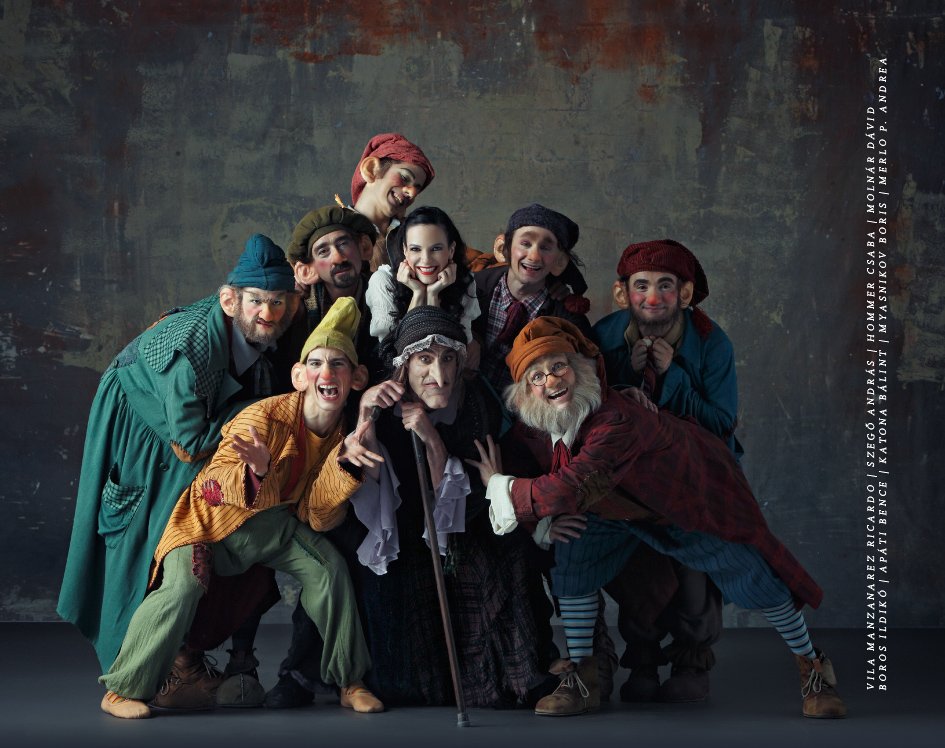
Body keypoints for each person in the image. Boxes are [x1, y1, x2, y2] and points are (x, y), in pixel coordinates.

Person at [467, 316, 848, 720]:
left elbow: (568, 486)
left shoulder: (616, 419)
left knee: (755, 578)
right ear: (525, 392)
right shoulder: (532, 426)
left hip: (682, 502)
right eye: (537, 376)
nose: (551, 381)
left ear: (579, 368)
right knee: (572, 561)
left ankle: (814, 669)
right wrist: (541, 522)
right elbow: (528, 471)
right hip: (612, 507)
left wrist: (498, 485)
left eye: (559, 366)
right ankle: (582, 679)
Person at [98, 297, 384, 719]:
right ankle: (122, 690)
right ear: (299, 376)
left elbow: (315, 515)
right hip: (207, 527)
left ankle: (350, 682)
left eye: (338, 364)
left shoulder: (344, 435)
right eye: (317, 363)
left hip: (272, 529)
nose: (327, 373)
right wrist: (257, 472)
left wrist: (343, 467)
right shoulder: (261, 418)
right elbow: (212, 486)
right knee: (182, 588)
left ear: (356, 378)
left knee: (330, 571)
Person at [271, 306, 559, 708]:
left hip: (459, 526)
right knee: (356, 575)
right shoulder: (381, 406)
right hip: (398, 528)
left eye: (447, 359)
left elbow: (465, 503)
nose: (438, 375)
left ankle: (524, 672)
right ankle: (312, 675)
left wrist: (431, 440)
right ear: (404, 367)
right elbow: (370, 496)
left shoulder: (478, 407)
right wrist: (367, 416)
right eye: (424, 360)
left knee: (508, 557)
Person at [57, 234, 304, 701]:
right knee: (148, 537)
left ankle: (187, 655)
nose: (268, 313)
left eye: (277, 301)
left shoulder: (265, 332)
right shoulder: (191, 351)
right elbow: (189, 442)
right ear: (230, 300)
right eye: (256, 301)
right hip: (142, 426)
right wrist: (261, 413)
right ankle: (142, 668)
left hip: (190, 426)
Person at [590, 239, 736, 703]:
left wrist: (675, 377)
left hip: (696, 472)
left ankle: (692, 657)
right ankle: (643, 656)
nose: (652, 297)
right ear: (622, 293)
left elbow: (721, 423)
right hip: (630, 475)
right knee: (636, 566)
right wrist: (622, 372)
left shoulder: (712, 343)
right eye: (641, 286)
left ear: (685, 293)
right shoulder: (604, 335)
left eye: (665, 286)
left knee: (693, 567)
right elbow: (588, 408)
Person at [472, 203, 592, 394]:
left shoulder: (567, 321)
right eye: (525, 244)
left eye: (545, 248)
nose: (534, 256)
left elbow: (588, 378)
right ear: (504, 248)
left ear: (559, 262)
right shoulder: (472, 288)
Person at [365, 205, 481, 367]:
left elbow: (458, 351)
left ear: (451, 250)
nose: (426, 259)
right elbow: (396, 356)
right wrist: (418, 293)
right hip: (394, 375)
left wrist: (433, 295)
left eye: (436, 248)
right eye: (415, 249)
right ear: (405, 250)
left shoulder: (464, 281)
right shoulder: (383, 281)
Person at [285, 204, 379, 363]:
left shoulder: (386, 294)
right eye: (323, 252)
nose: (338, 258)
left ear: (364, 247)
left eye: (343, 244)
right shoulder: (299, 308)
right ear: (308, 270)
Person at [340, 132, 436, 272]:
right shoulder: (336, 232)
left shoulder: (414, 231)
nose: (412, 193)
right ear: (371, 169)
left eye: (417, 189)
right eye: (404, 178)